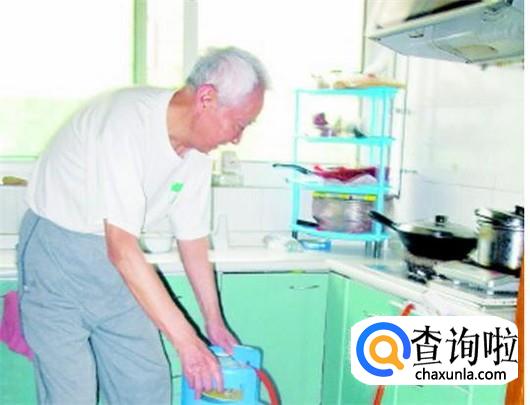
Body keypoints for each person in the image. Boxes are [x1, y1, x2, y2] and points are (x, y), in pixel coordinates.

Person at [17, 46, 269, 404]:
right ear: (207, 99)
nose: (237, 138)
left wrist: (212, 321)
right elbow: (121, 247)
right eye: (239, 124)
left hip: (119, 271)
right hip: (58, 257)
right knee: (72, 395)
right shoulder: (126, 122)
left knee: (146, 383)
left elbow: (192, 239)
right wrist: (188, 344)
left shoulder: (196, 154)